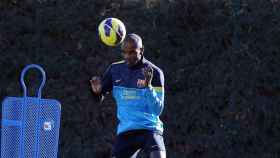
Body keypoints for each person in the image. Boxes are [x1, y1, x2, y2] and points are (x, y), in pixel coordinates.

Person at [90, 33, 166, 158]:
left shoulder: (154, 72)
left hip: (150, 129)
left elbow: (157, 110)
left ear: (141, 50)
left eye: (131, 52)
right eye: (124, 53)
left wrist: (148, 87)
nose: (127, 57)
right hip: (127, 132)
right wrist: (97, 92)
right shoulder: (114, 70)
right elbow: (99, 98)